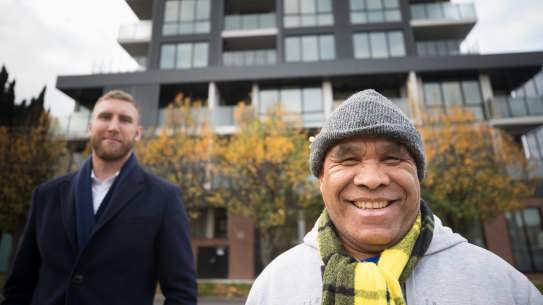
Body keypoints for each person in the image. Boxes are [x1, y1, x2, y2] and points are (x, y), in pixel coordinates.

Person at [246, 89, 543, 305]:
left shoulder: (503, 288)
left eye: (392, 158)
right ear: (321, 178)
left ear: (417, 175)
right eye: (348, 160)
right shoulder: (273, 288)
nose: (372, 179)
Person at [1, 90, 198, 305]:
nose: (113, 127)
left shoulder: (165, 198)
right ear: (90, 127)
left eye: (125, 120)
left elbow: (182, 293)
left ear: (138, 133)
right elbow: (20, 286)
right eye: (105, 117)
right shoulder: (46, 195)